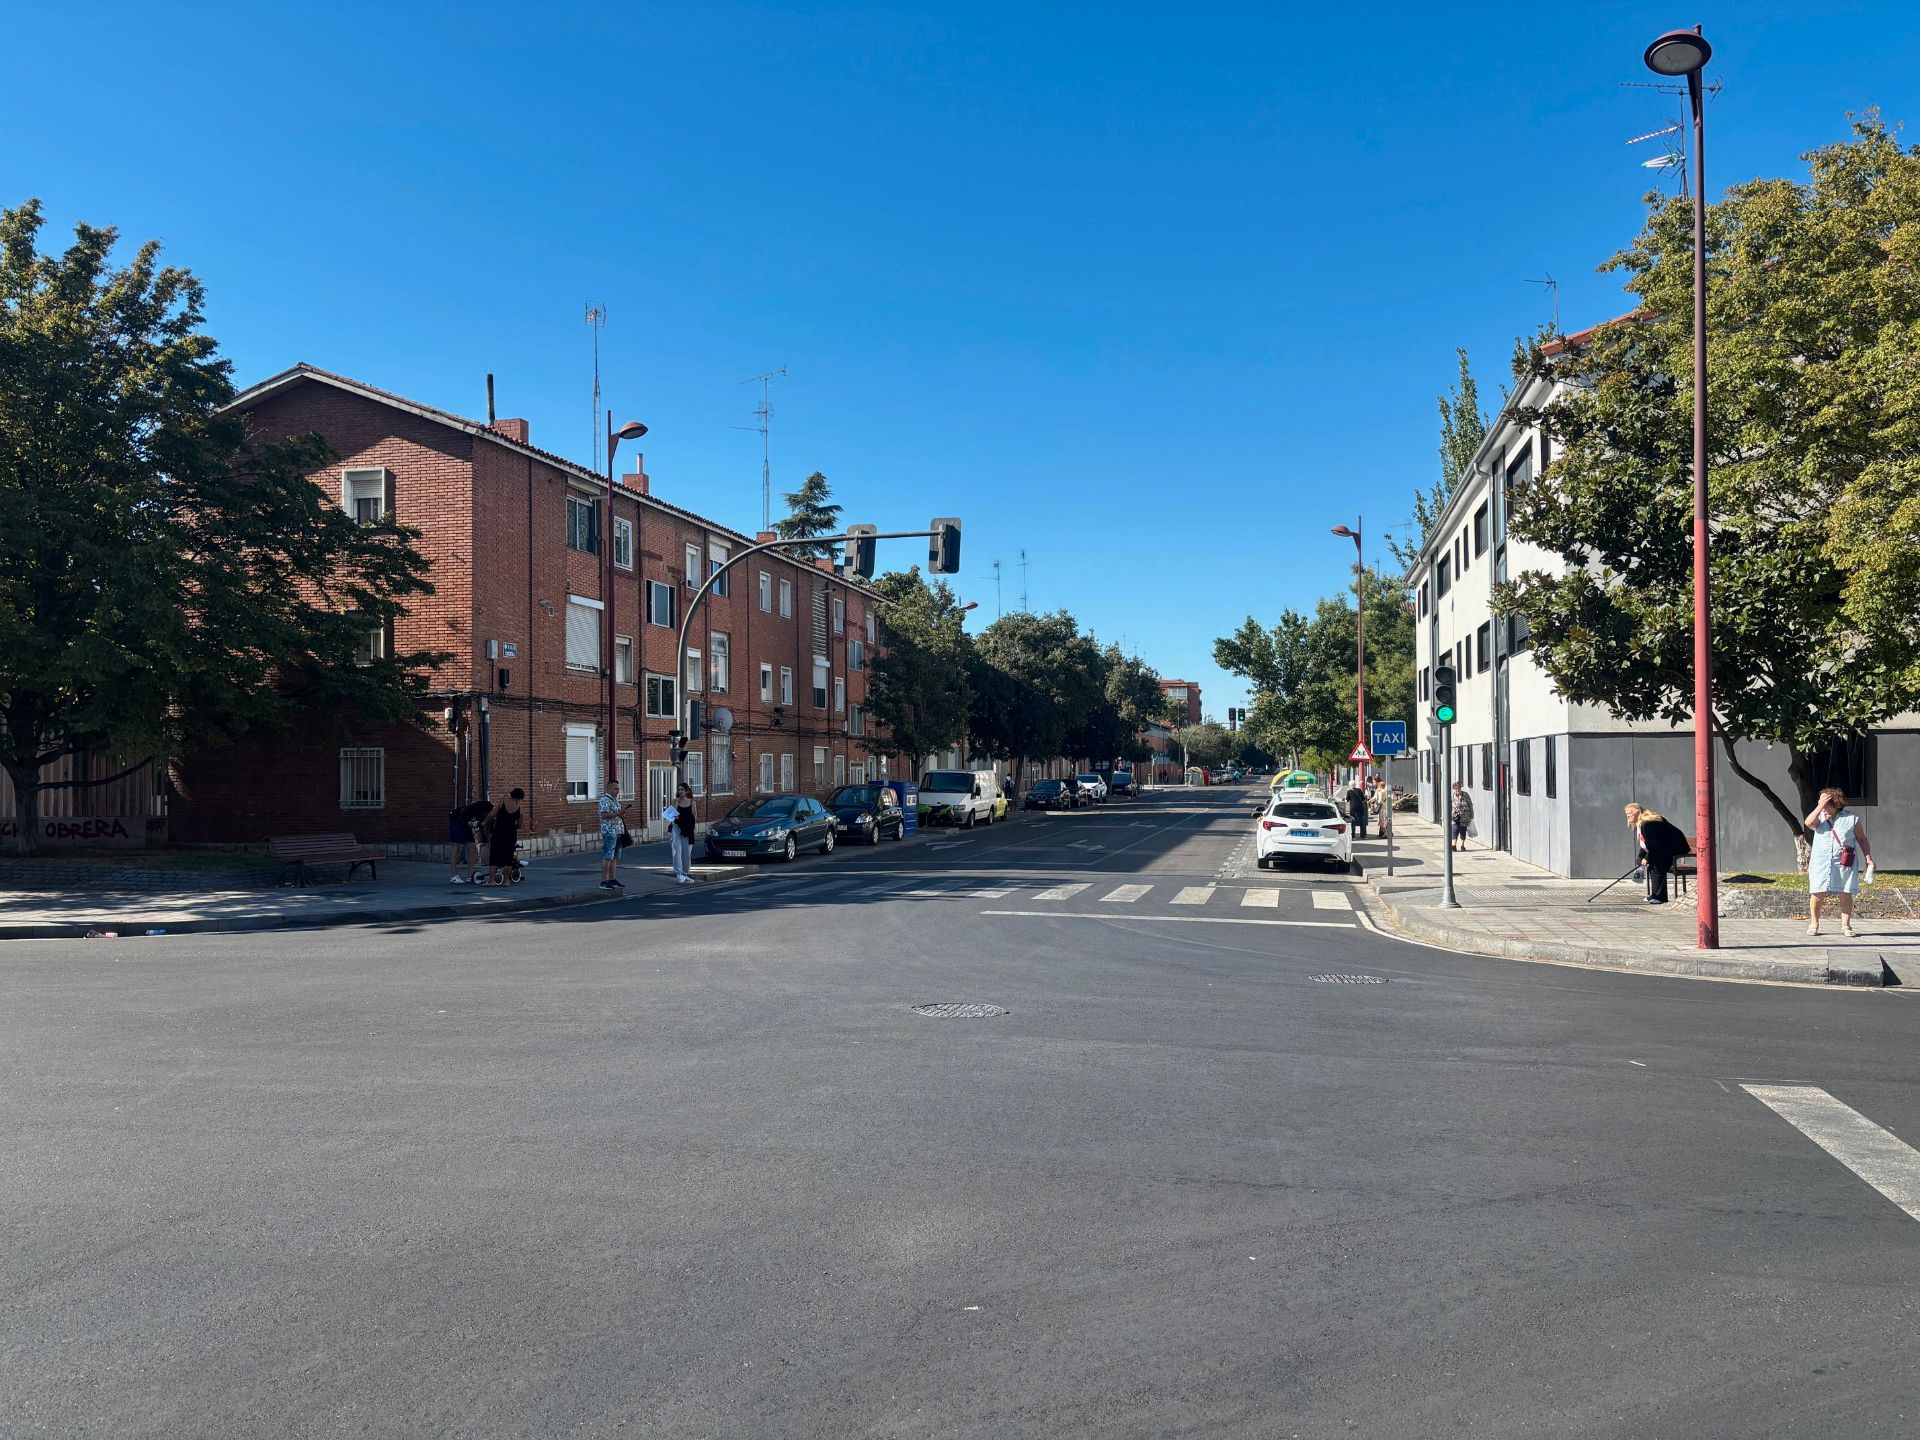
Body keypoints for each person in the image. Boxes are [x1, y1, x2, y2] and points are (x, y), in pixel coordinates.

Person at [1805, 787, 1873, 937]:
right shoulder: (1819, 817)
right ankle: (1814, 923)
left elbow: (1862, 839)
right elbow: (1808, 823)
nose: (1820, 802)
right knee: (1817, 892)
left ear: (1834, 803)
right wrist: (1820, 806)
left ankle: (1846, 925)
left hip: (1843, 862)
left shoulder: (1851, 819)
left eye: (1823, 800)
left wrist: (1868, 857)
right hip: (1821, 862)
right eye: (1820, 800)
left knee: (1846, 892)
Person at [1624, 802, 1689, 906]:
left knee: (1657, 865)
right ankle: (1654, 894)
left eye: (1629, 813)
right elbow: (1645, 843)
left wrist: (1647, 858)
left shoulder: (1648, 823)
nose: (1627, 816)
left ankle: (1659, 897)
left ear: (1637, 812)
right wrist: (1641, 857)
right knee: (1649, 862)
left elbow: (1654, 844)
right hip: (1663, 848)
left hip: (1674, 847)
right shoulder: (1641, 825)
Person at [485, 788, 525, 887]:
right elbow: (520, 824)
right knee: (508, 858)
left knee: (494, 857)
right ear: (520, 798)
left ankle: (492, 881)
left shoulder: (502, 802)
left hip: (498, 833)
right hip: (510, 834)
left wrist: (484, 822)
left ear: (511, 794)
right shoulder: (519, 808)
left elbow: (491, 815)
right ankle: (506, 881)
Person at [447, 799, 493, 883]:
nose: (486, 815)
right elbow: (471, 824)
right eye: (486, 814)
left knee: (472, 846)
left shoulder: (485, 812)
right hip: (457, 820)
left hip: (465, 823)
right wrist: (474, 827)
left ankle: (470, 875)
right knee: (457, 846)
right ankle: (454, 876)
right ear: (484, 811)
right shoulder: (470, 811)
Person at [598, 781, 629, 890]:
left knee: (614, 857)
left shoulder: (615, 800)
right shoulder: (605, 800)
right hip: (609, 831)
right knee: (608, 856)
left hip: (618, 830)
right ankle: (604, 881)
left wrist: (622, 813)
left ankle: (612, 879)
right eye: (615, 789)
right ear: (609, 789)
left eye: (618, 789)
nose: (617, 791)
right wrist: (617, 813)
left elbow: (616, 814)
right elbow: (604, 814)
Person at [668, 782, 697, 886]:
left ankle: (685, 873)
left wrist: (692, 827)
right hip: (677, 828)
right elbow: (671, 816)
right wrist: (675, 806)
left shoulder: (692, 802)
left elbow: (694, 816)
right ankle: (679, 873)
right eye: (679, 790)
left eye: (682, 790)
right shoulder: (675, 801)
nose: (680, 792)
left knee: (686, 852)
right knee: (677, 849)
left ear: (687, 791)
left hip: (688, 829)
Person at [1449, 781, 1474, 851]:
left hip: (1465, 816)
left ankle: (1462, 845)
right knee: (1455, 830)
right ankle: (1454, 845)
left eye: (1459, 788)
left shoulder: (1466, 795)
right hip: (1455, 816)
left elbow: (1470, 805)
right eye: (1456, 788)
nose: (1457, 790)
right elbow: (1449, 806)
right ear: (1454, 789)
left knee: (1463, 831)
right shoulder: (1452, 796)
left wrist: (1472, 814)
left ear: (1460, 788)